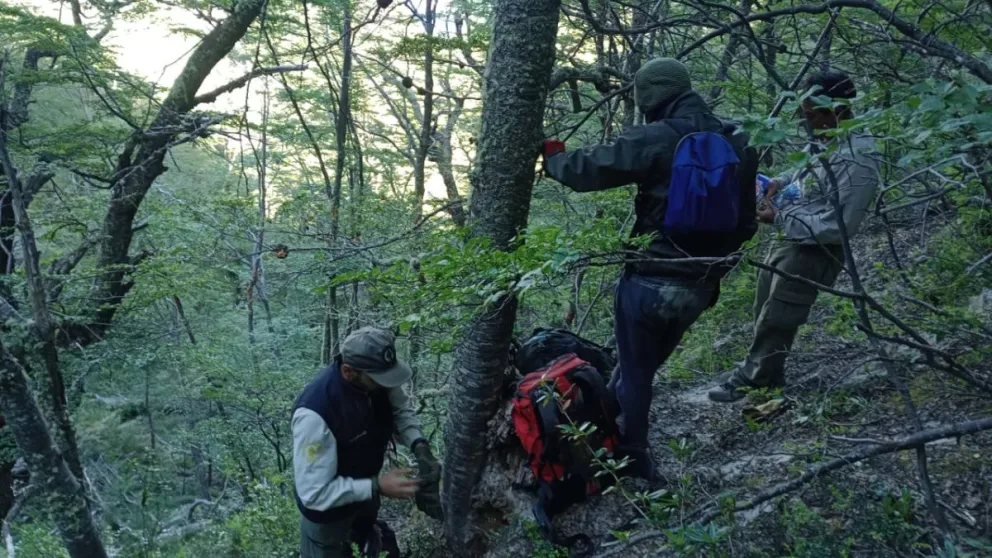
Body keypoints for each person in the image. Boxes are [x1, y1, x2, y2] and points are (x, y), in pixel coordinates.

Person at [541, 58, 758, 479]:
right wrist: (712, 263)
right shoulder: (738, 140)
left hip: (650, 280)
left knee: (637, 371)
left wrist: (554, 158)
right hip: (702, 283)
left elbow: (586, 171)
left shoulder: (656, 137)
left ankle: (634, 457)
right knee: (638, 366)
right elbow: (747, 222)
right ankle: (603, 425)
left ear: (649, 97)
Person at [708, 69, 881, 403]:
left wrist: (780, 216)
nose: (806, 121)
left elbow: (840, 226)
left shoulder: (858, 155)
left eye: (811, 114)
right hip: (791, 237)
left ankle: (754, 380)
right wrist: (779, 182)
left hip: (815, 249)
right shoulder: (826, 138)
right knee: (764, 307)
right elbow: (807, 174)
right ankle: (767, 371)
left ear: (836, 109)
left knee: (779, 315)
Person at [292, 326, 443, 557]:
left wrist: (419, 445)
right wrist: (377, 486)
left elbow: (400, 409)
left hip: (364, 502)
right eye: (379, 379)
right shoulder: (315, 415)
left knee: (369, 545)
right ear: (348, 371)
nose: (387, 384)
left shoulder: (376, 378)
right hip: (327, 519)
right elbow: (314, 494)